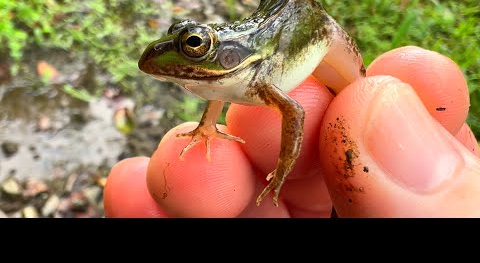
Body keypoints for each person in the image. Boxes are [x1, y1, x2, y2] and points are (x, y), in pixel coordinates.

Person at [103, 46, 480, 217]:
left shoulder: (258, 78)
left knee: (361, 94)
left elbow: (295, 109)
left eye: (196, 46)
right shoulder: (228, 79)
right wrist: (206, 126)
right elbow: (217, 91)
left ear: (226, 53)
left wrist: (282, 167)